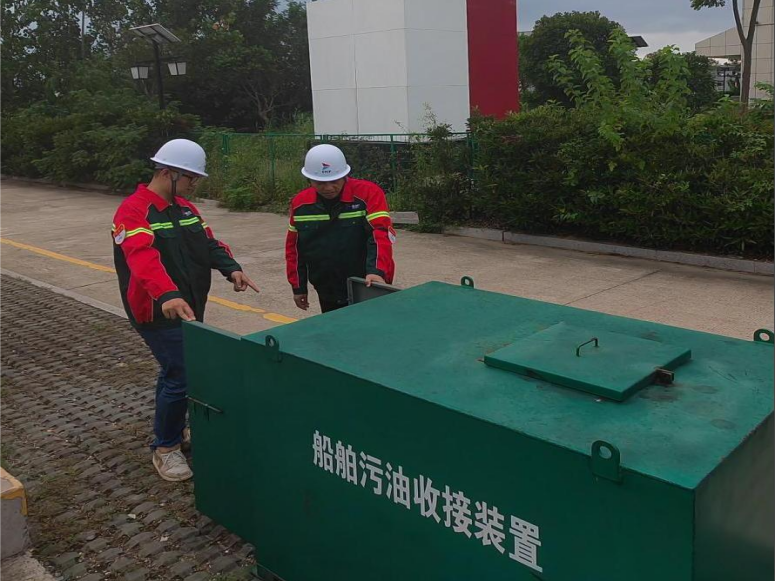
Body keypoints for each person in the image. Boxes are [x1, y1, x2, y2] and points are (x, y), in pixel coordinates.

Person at [112, 139, 259, 482]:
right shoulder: (133, 211)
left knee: (176, 371)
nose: (195, 184)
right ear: (168, 173)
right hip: (157, 310)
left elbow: (207, 243)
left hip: (189, 305)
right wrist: (166, 294)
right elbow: (142, 257)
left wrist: (231, 268)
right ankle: (165, 448)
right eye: (191, 178)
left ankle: (175, 432)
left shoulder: (186, 209)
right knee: (182, 374)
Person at [286, 144, 396, 313]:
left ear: (345, 176)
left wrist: (377, 271)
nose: (329, 188)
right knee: (337, 327)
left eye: (334, 181)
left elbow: (380, 234)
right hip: (327, 287)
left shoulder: (368, 194)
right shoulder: (300, 204)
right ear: (309, 180)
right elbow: (294, 248)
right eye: (320, 183)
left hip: (366, 283)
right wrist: (298, 287)